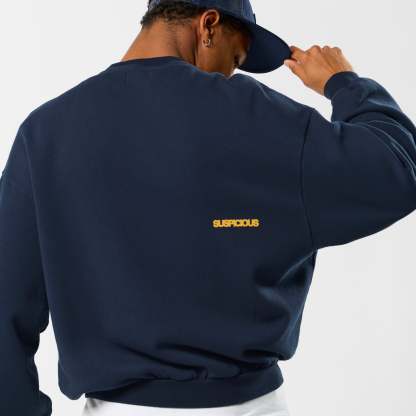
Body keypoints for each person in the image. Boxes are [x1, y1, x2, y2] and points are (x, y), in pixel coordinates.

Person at [1, 0, 415, 415]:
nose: (230, 75)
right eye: (234, 59)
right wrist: (344, 83)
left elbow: (7, 304)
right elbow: (398, 170)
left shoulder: (46, 132)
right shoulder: (260, 118)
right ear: (208, 26)